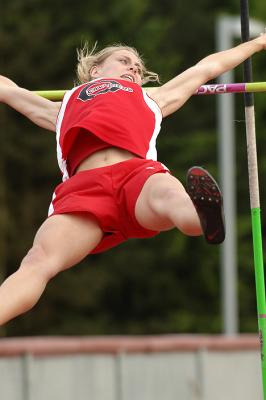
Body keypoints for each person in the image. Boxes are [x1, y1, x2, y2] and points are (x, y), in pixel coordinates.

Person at [0, 33, 266, 327]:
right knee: (37, 262)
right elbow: (9, 90)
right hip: (84, 192)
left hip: (136, 178)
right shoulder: (62, 107)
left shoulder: (152, 98)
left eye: (138, 68)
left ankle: (201, 215)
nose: (134, 69)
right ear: (95, 71)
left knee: (167, 191)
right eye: (124, 61)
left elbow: (207, 68)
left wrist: (257, 43)